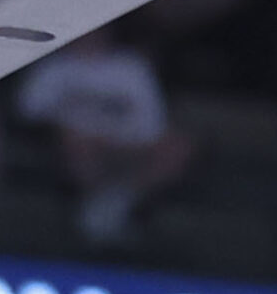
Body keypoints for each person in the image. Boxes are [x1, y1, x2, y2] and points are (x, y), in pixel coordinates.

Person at [11, 27, 194, 244]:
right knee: (77, 144)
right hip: (76, 145)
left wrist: (123, 143)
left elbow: (153, 124)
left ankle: (115, 203)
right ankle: (93, 207)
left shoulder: (130, 66)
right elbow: (27, 111)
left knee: (178, 146)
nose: (90, 35)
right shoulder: (55, 66)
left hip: (127, 145)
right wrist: (64, 130)